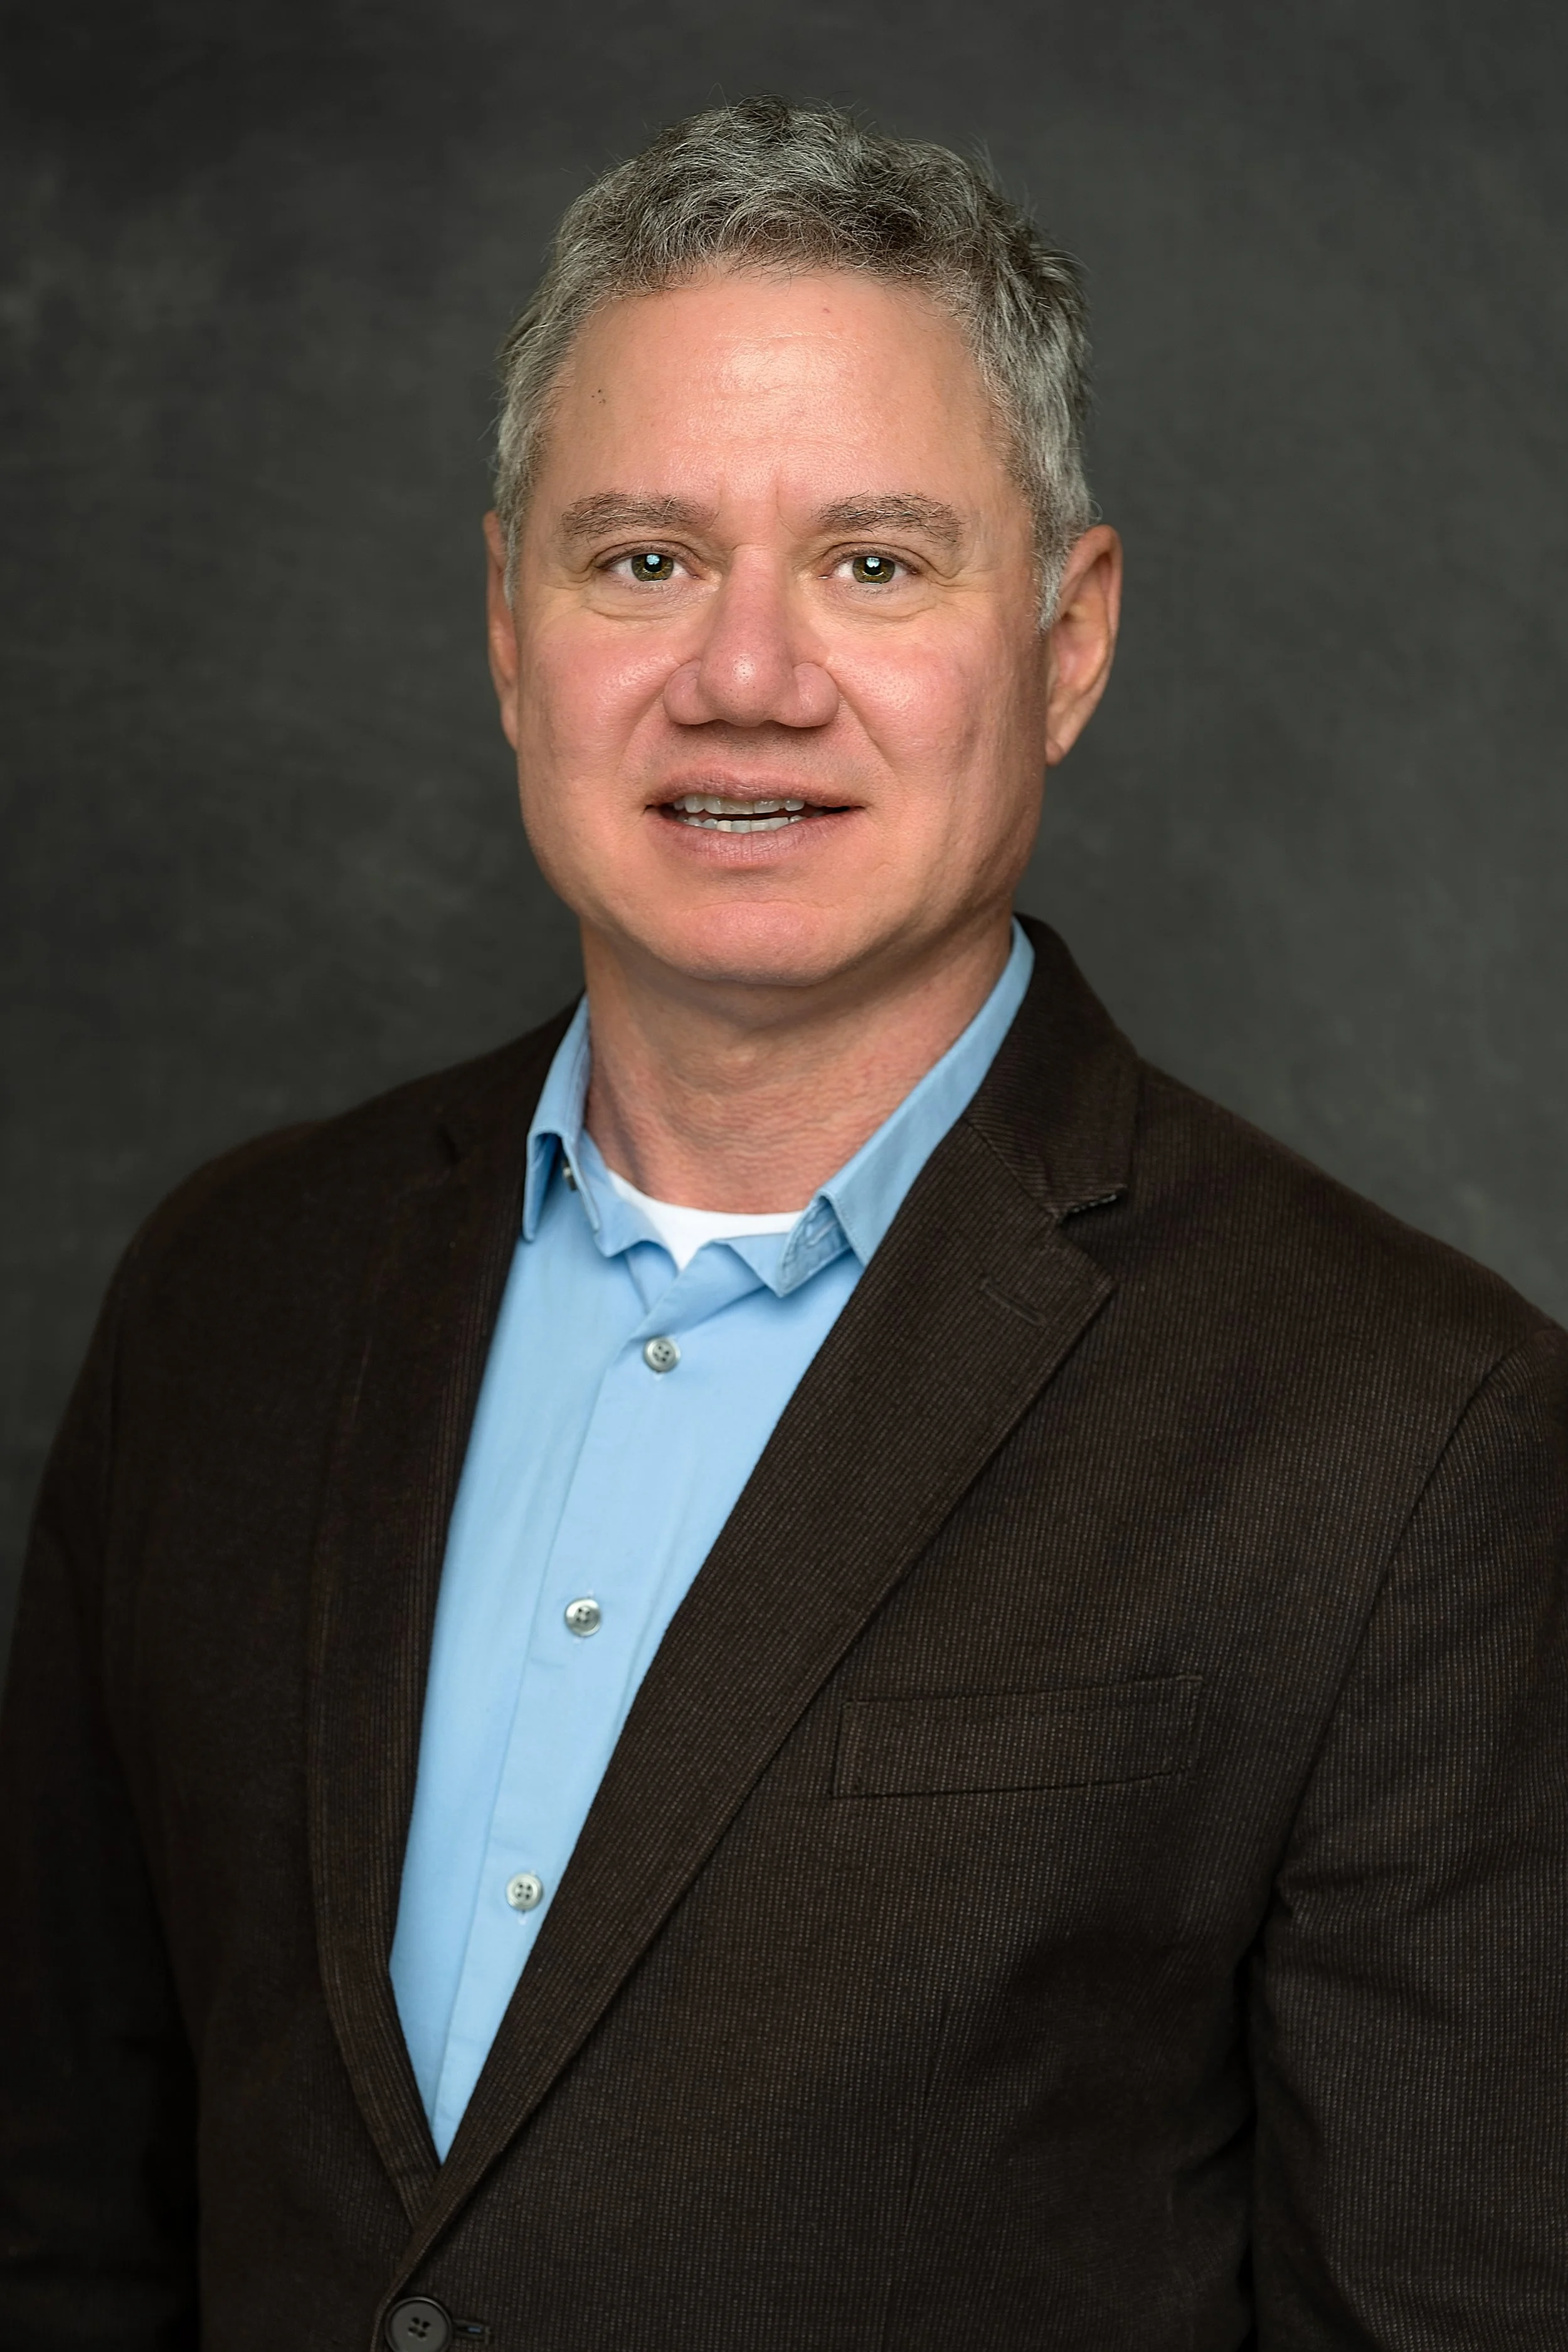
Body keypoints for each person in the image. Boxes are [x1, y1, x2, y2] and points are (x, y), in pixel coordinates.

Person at [1, 94, 1564, 2352]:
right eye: (642, 558)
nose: (745, 675)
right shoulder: (227, 1297)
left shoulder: (1405, 1436)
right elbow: (64, 2203)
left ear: (1067, 639)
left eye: (874, 561)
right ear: (509, 628)